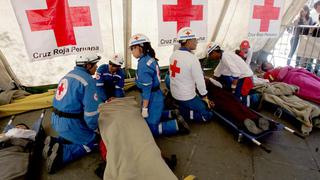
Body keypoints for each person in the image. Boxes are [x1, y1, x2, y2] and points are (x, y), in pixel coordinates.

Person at [43, 54, 101, 173]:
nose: (97, 67)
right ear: (88, 65)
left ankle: (57, 141)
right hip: (70, 123)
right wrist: (95, 130)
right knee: (93, 141)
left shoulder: (67, 75)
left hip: (55, 119)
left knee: (77, 133)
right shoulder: (88, 81)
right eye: (95, 64)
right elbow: (91, 115)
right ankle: (62, 154)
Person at [129, 33, 190, 137]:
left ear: (140, 47)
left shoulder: (143, 65)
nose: (131, 52)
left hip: (152, 97)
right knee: (152, 115)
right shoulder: (149, 58)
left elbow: (147, 91)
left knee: (150, 129)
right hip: (157, 95)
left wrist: (144, 108)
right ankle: (172, 113)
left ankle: (177, 125)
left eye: (132, 48)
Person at [169, 27, 214, 122]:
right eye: (195, 40)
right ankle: (184, 114)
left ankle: (180, 107)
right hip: (186, 96)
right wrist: (205, 97)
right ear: (188, 42)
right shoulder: (192, 58)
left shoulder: (174, 54)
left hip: (175, 93)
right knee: (207, 114)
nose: (197, 42)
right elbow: (200, 81)